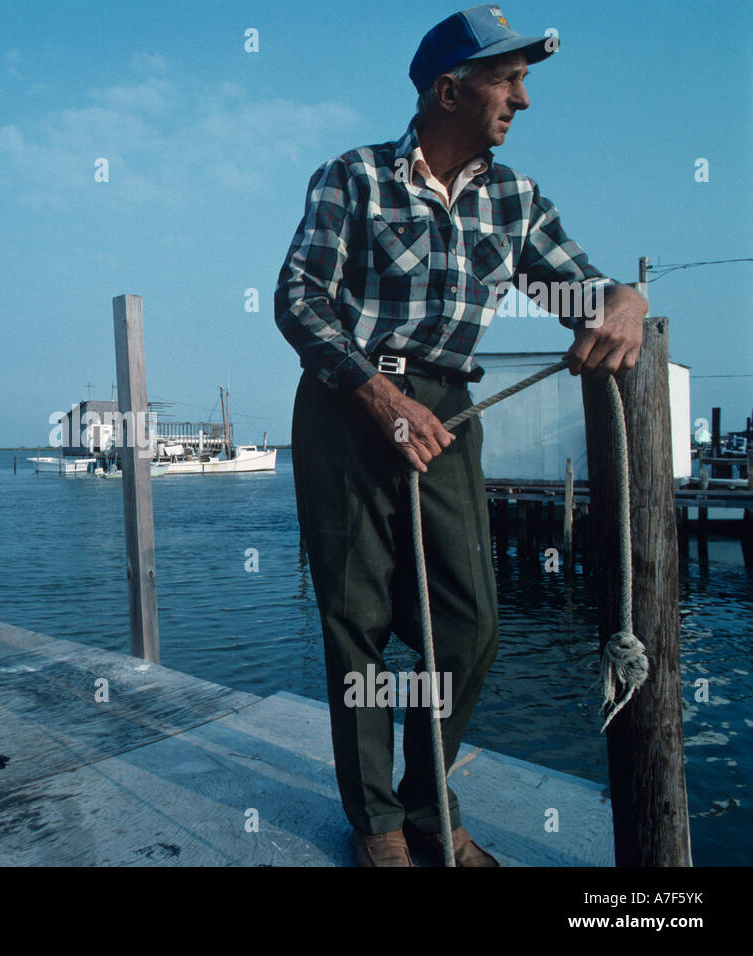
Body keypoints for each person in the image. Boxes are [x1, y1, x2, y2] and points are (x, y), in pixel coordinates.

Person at [274, 5, 646, 867]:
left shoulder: (516, 200)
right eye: (507, 79)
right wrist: (377, 396)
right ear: (449, 89)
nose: (523, 99)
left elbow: (582, 295)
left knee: (470, 624)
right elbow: (299, 298)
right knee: (357, 623)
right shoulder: (353, 177)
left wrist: (627, 300)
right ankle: (378, 827)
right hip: (346, 401)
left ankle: (424, 800)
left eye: (523, 81)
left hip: (450, 409)